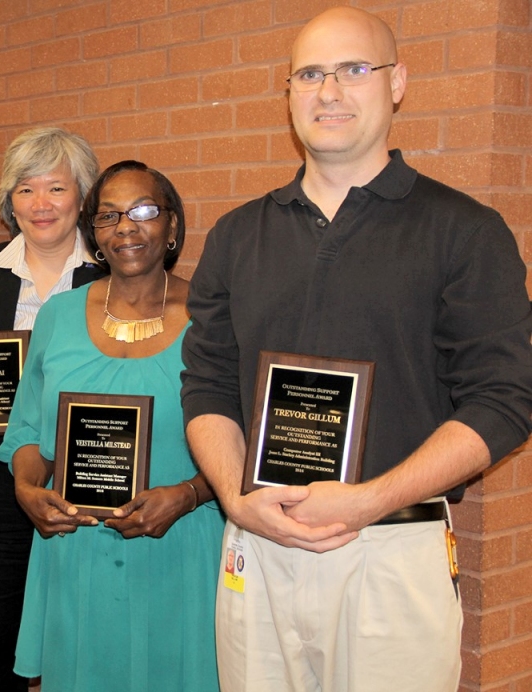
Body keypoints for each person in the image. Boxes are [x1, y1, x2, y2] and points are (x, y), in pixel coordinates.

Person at [180, 7, 532, 692]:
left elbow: (505, 400)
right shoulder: (236, 236)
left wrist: (369, 499)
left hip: (390, 551)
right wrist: (232, 496)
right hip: (259, 545)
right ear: (287, 91)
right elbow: (208, 384)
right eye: (309, 73)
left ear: (397, 82)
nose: (329, 91)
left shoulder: (464, 231)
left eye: (353, 70)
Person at [0, 161, 224, 692]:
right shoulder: (58, 316)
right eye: (109, 215)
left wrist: (189, 495)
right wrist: (28, 488)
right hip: (75, 549)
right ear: (94, 234)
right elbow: (29, 432)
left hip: (181, 550)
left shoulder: (214, 318)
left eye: (144, 211)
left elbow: (246, 446)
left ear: (172, 225)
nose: (126, 226)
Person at [0, 126, 102, 692]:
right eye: (25, 190)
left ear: (82, 195)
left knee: (79, 642)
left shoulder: (110, 276)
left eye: (56, 188)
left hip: (83, 481)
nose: (41, 204)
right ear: (9, 201)